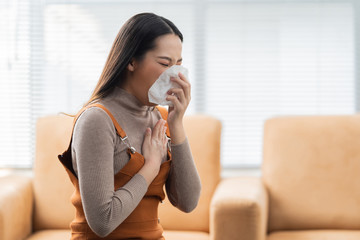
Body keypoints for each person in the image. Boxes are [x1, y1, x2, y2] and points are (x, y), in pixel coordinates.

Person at [58, 12, 201, 240]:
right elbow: (103, 222)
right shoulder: (97, 119)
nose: (175, 75)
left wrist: (177, 124)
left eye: (179, 64)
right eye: (165, 63)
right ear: (131, 61)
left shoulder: (162, 118)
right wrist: (151, 166)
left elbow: (188, 202)